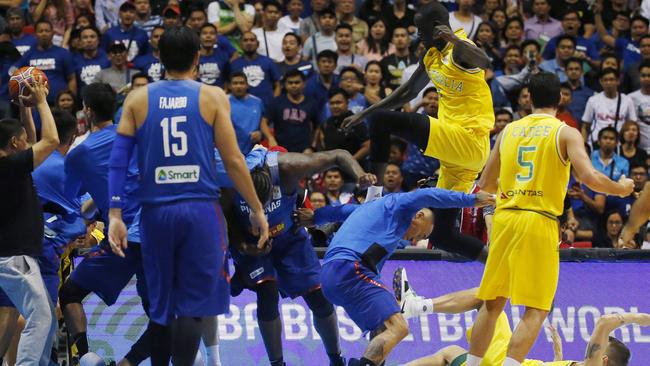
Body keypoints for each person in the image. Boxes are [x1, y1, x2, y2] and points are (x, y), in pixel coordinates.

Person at [107, 26, 268, 364]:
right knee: (193, 308)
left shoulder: (136, 99)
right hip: (199, 212)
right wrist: (256, 207)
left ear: (158, 58)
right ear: (198, 58)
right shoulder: (211, 96)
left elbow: (118, 161)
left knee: (163, 308)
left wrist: (115, 214)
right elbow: (234, 159)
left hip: (155, 214)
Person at [468, 72, 634, 365]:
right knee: (535, 310)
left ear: (529, 97)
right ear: (560, 99)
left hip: (506, 218)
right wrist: (621, 189)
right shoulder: (566, 132)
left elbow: (486, 184)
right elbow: (589, 177)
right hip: (538, 219)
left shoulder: (509, 131)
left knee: (492, 304)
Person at [341, 1, 494, 263]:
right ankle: (495, 264)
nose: (418, 36)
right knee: (442, 236)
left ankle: (374, 196)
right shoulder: (431, 55)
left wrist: (452, 40)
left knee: (382, 121)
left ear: (437, 28)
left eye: (421, 31)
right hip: (457, 160)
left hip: (468, 139)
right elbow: (408, 92)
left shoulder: (460, 51)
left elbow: (486, 60)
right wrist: (363, 114)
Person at [219, 147, 375, 366]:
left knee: (319, 299)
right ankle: (277, 364)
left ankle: (336, 360)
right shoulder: (227, 179)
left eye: (263, 203)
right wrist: (246, 247)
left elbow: (339, 155)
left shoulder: (288, 166)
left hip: (289, 238)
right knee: (267, 293)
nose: (260, 209)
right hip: (254, 244)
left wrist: (360, 175)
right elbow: (229, 226)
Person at [320, 186, 494, 366]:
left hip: (329, 275)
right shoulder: (400, 204)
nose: (416, 238)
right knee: (399, 328)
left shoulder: (376, 212)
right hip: (350, 269)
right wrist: (471, 200)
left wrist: (314, 218)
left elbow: (342, 211)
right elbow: (425, 195)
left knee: (383, 329)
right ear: (419, 215)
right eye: (423, 233)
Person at [0, 77, 58, 365]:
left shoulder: (9, 163)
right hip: (14, 258)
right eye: (22, 140)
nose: (28, 144)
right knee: (41, 316)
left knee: (45, 314)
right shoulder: (9, 166)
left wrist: (25, 109)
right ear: (13, 143)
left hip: (15, 257)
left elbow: (34, 141)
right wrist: (42, 102)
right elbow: (51, 141)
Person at [15, 20, 76, 103]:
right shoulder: (28, 55)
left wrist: (71, 100)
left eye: (47, 31)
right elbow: (19, 79)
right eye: (41, 31)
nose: (44, 34)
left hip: (59, 103)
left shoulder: (63, 53)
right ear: (35, 34)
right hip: (35, 103)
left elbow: (72, 79)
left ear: (52, 33)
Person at [267, 69, 320, 152]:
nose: (293, 85)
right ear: (285, 84)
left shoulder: (312, 103)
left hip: (304, 152)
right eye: (290, 83)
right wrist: (270, 138)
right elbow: (263, 121)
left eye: (297, 82)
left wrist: (312, 146)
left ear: (304, 84)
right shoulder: (277, 102)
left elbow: (318, 126)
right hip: (281, 151)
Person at [581, 68, 637, 147]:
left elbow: (632, 124)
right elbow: (585, 126)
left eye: (611, 79)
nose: (608, 82)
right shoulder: (593, 100)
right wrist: (584, 145)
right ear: (601, 82)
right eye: (605, 80)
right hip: (596, 144)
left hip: (619, 145)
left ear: (618, 81)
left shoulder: (627, 100)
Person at [230, 31, 281, 113]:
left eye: (252, 40)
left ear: (258, 44)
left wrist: (273, 102)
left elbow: (278, 85)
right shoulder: (234, 65)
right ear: (240, 44)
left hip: (267, 109)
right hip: (242, 109)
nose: (249, 43)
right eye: (245, 40)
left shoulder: (269, 62)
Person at [198, 23, 231, 88]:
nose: (208, 36)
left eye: (212, 33)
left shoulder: (224, 57)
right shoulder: (193, 57)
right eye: (204, 33)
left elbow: (228, 78)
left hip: (218, 95)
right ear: (199, 37)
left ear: (216, 38)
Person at [629, 60, 650, 151]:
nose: (646, 78)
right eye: (643, 75)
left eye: (649, 76)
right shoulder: (630, 98)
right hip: (639, 149)